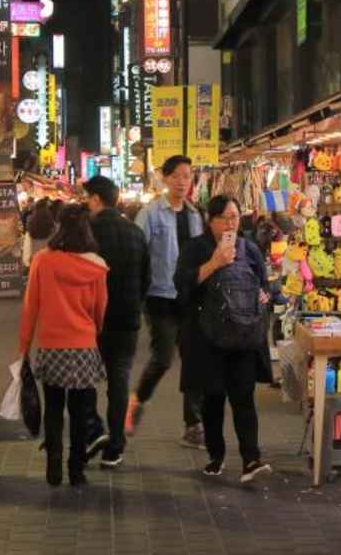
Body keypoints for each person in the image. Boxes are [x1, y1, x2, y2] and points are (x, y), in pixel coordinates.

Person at [175, 195, 273, 483]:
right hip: (208, 339)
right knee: (213, 400)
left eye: (236, 216)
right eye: (226, 217)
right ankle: (215, 457)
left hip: (242, 335)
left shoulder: (249, 248)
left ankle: (251, 459)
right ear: (211, 220)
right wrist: (214, 263)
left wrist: (263, 294)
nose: (232, 223)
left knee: (244, 399)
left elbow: (263, 281)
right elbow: (181, 285)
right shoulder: (196, 248)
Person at [19, 204, 109, 487]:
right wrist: (93, 332)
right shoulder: (96, 266)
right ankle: (76, 469)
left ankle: (53, 467)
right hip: (83, 345)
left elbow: (31, 306)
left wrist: (24, 347)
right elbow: (99, 310)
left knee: (54, 408)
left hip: (51, 345)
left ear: (58, 227)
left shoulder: (42, 261)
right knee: (81, 411)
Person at [127, 154, 205, 448]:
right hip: (159, 296)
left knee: (194, 360)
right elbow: (136, 252)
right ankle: (137, 400)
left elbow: (200, 254)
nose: (183, 181)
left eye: (188, 176)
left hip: (190, 296)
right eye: (177, 176)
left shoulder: (195, 215)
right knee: (162, 358)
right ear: (164, 178)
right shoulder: (150, 213)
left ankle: (193, 424)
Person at [83, 175, 149, 468]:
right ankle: (115, 447)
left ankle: (94, 429)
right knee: (119, 381)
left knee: (81, 377)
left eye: (88, 199)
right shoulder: (135, 232)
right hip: (128, 317)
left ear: (96, 199)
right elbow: (147, 276)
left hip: (92, 319)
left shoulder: (87, 230)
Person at [22, 199, 57, 275]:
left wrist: (28, 263)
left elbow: (27, 252)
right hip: (51, 265)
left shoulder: (31, 229)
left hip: (35, 265)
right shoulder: (53, 229)